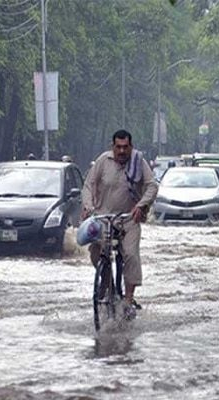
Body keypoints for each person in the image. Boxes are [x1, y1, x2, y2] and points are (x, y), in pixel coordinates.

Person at [82, 130, 158, 319]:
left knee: (131, 255)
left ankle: (128, 300)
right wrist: (88, 206)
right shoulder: (102, 161)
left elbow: (152, 186)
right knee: (95, 252)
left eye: (126, 147)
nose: (122, 151)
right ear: (112, 147)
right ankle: (106, 282)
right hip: (103, 217)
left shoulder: (138, 162)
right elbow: (88, 185)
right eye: (118, 147)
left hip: (129, 219)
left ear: (131, 147)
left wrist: (141, 205)